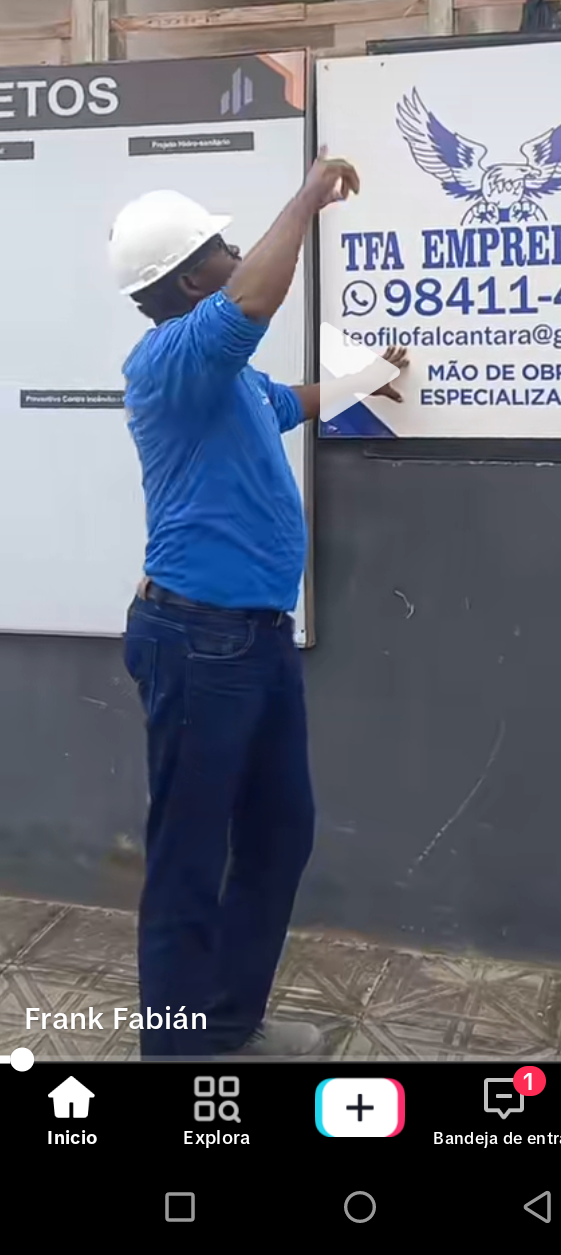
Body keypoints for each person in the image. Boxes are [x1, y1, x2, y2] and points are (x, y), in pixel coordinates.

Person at [108, 154, 407, 1059]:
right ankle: (176, 1051)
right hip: (197, 641)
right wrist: (310, 195)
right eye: (222, 246)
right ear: (190, 279)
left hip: (252, 641)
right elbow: (253, 299)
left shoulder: (223, 375)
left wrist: (366, 378)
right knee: (189, 856)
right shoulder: (171, 359)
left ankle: (229, 1024)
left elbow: (285, 403)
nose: (237, 254)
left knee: (280, 833)